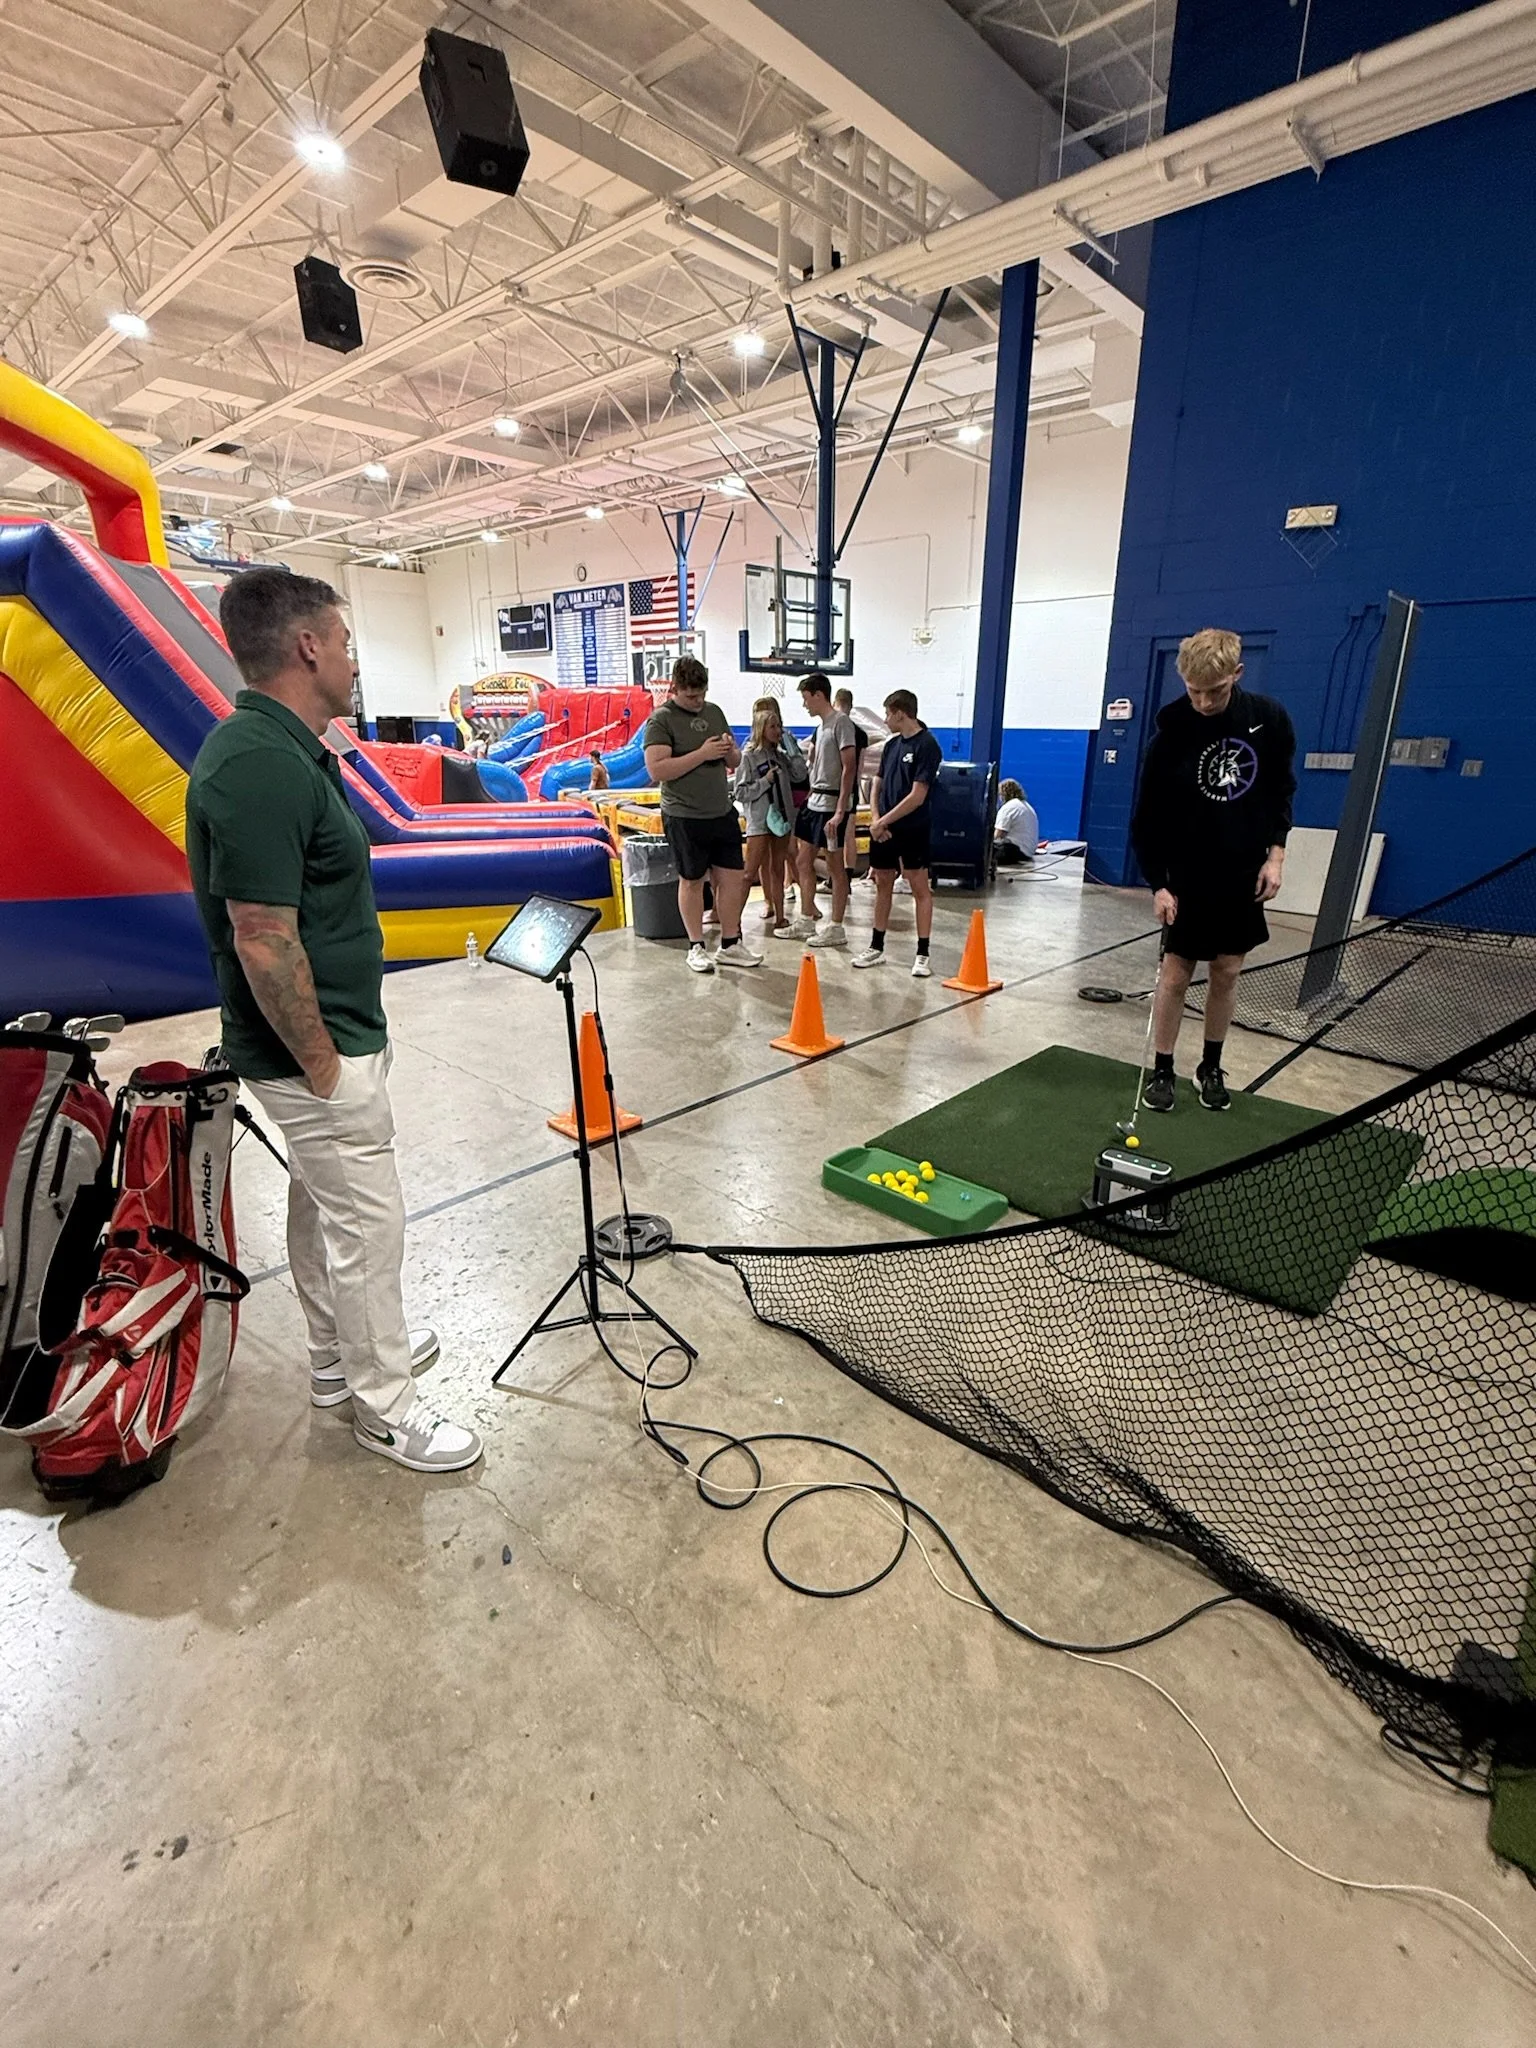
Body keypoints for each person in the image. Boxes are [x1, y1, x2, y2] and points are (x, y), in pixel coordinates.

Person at [184, 569, 481, 1474]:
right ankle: (384, 1406)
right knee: (368, 1227)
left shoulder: (294, 749)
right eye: (346, 642)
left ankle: (336, 1361)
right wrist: (325, 1064)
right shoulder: (261, 764)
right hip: (316, 1053)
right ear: (308, 646)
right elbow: (263, 939)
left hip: (338, 1036)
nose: (354, 660)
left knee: (323, 1213)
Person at [1131, 627, 1296, 1112]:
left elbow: (1280, 793)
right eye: (1193, 690)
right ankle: (1163, 1069)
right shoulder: (1170, 734)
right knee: (1175, 974)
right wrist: (1157, 884)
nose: (1203, 701)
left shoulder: (1268, 721)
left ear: (1237, 675)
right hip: (1186, 872)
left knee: (1226, 970)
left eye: (1216, 691)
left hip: (1241, 869)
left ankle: (1210, 1066)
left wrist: (1276, 855)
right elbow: (1146, 819)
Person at [642, 655, 762, 974]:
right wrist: (701, 754)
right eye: (691, 696)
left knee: (732, 878)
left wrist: (730, 752)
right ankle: (696, 945)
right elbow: (657, 769)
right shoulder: (661, 720)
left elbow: (733, 759)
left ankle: (731, 942)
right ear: (675, 689)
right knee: (692, 880)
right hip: (684, 814)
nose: (698, 701)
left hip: (720, 810)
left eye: (702, 694)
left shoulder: (714, 712)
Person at [852, 689, 942, 978]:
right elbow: (876, 784)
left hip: (912, 829)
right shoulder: (891, 746)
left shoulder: (927, 745)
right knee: (882, 884)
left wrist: (885, 821)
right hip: (884, 829)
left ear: (901, 712)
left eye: (888, 713)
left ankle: (923, 953)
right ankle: (876, 946)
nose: (886, 719)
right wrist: (877, 819)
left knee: (919, 887)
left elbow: (917, 795)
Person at [777, 672, 857, 948]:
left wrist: (840, 810)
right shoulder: (821, 727)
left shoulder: (841, 723)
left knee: (835, 866)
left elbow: (849, 768)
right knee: (802, 861)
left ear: (818, 695)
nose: (804, 705)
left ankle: (836, 927)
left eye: (806, 698)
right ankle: (806, 918)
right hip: (814, 803)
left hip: (831, 806)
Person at [733, 697, 800, 933]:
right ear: (762, 729)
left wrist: (792, 750)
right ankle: (734, 922)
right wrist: (764, 782)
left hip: (780, 820)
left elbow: (800, 775)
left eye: (779, 726)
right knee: (750, 872)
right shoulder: (749, 757)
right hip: (760, 822)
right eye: (773, 727)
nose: (777, 731)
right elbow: (739, 792)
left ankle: (781, 917)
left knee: (778, 868)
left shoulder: (781, 756)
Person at [833, 688, 868, 876]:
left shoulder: (831, 727)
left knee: (833, 834)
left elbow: (814, 759)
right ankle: (846, 877)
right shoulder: (861, 733)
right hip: (851, 787)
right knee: (849, 834)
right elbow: (860, 767)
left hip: (832, 787)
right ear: (851, 705)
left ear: (834, 703)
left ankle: (835, 877)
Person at [993, 779, 1039, 865]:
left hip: (1015, 851)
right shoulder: (1026, 805)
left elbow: (998, 835)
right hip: (1028, 852)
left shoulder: (1009, 807)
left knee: (979, 851)